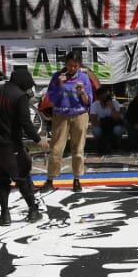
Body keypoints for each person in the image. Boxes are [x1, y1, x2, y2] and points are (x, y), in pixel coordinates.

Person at [0, 67, 47, 226]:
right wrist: (38, 139)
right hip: (11, 146)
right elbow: (25, 121)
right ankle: (33, 211)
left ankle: (4, 215)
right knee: (22, 178)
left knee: (0, 180)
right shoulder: (20, 96)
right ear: (23, 83)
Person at [44, 52, 94, 193]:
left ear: (79, 66)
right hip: (61, 115)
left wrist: (83, 92)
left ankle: (77, 179)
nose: (72, 68)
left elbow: (88, 101)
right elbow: (52, 99)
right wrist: (60, 84)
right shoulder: (57, 76)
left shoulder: (83, 77)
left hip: (79, 115)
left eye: (75, 66)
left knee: (78, 149)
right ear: (65, 63)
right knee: (56, 149)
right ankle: (50, 179)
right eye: (70, 65)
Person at [89, 88, 127, 155]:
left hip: (114, 125)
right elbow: (93, 121)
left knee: (117, 130)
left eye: (108, 96)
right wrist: (105, 123)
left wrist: (112, 107)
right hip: (101, 125)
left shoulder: (114, 103)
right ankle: (99, 145)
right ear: (99, 97)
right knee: (96, 130)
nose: (107, 98)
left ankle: (117, 144)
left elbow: (117, 118)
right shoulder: (95, 105)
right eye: (104, 96)